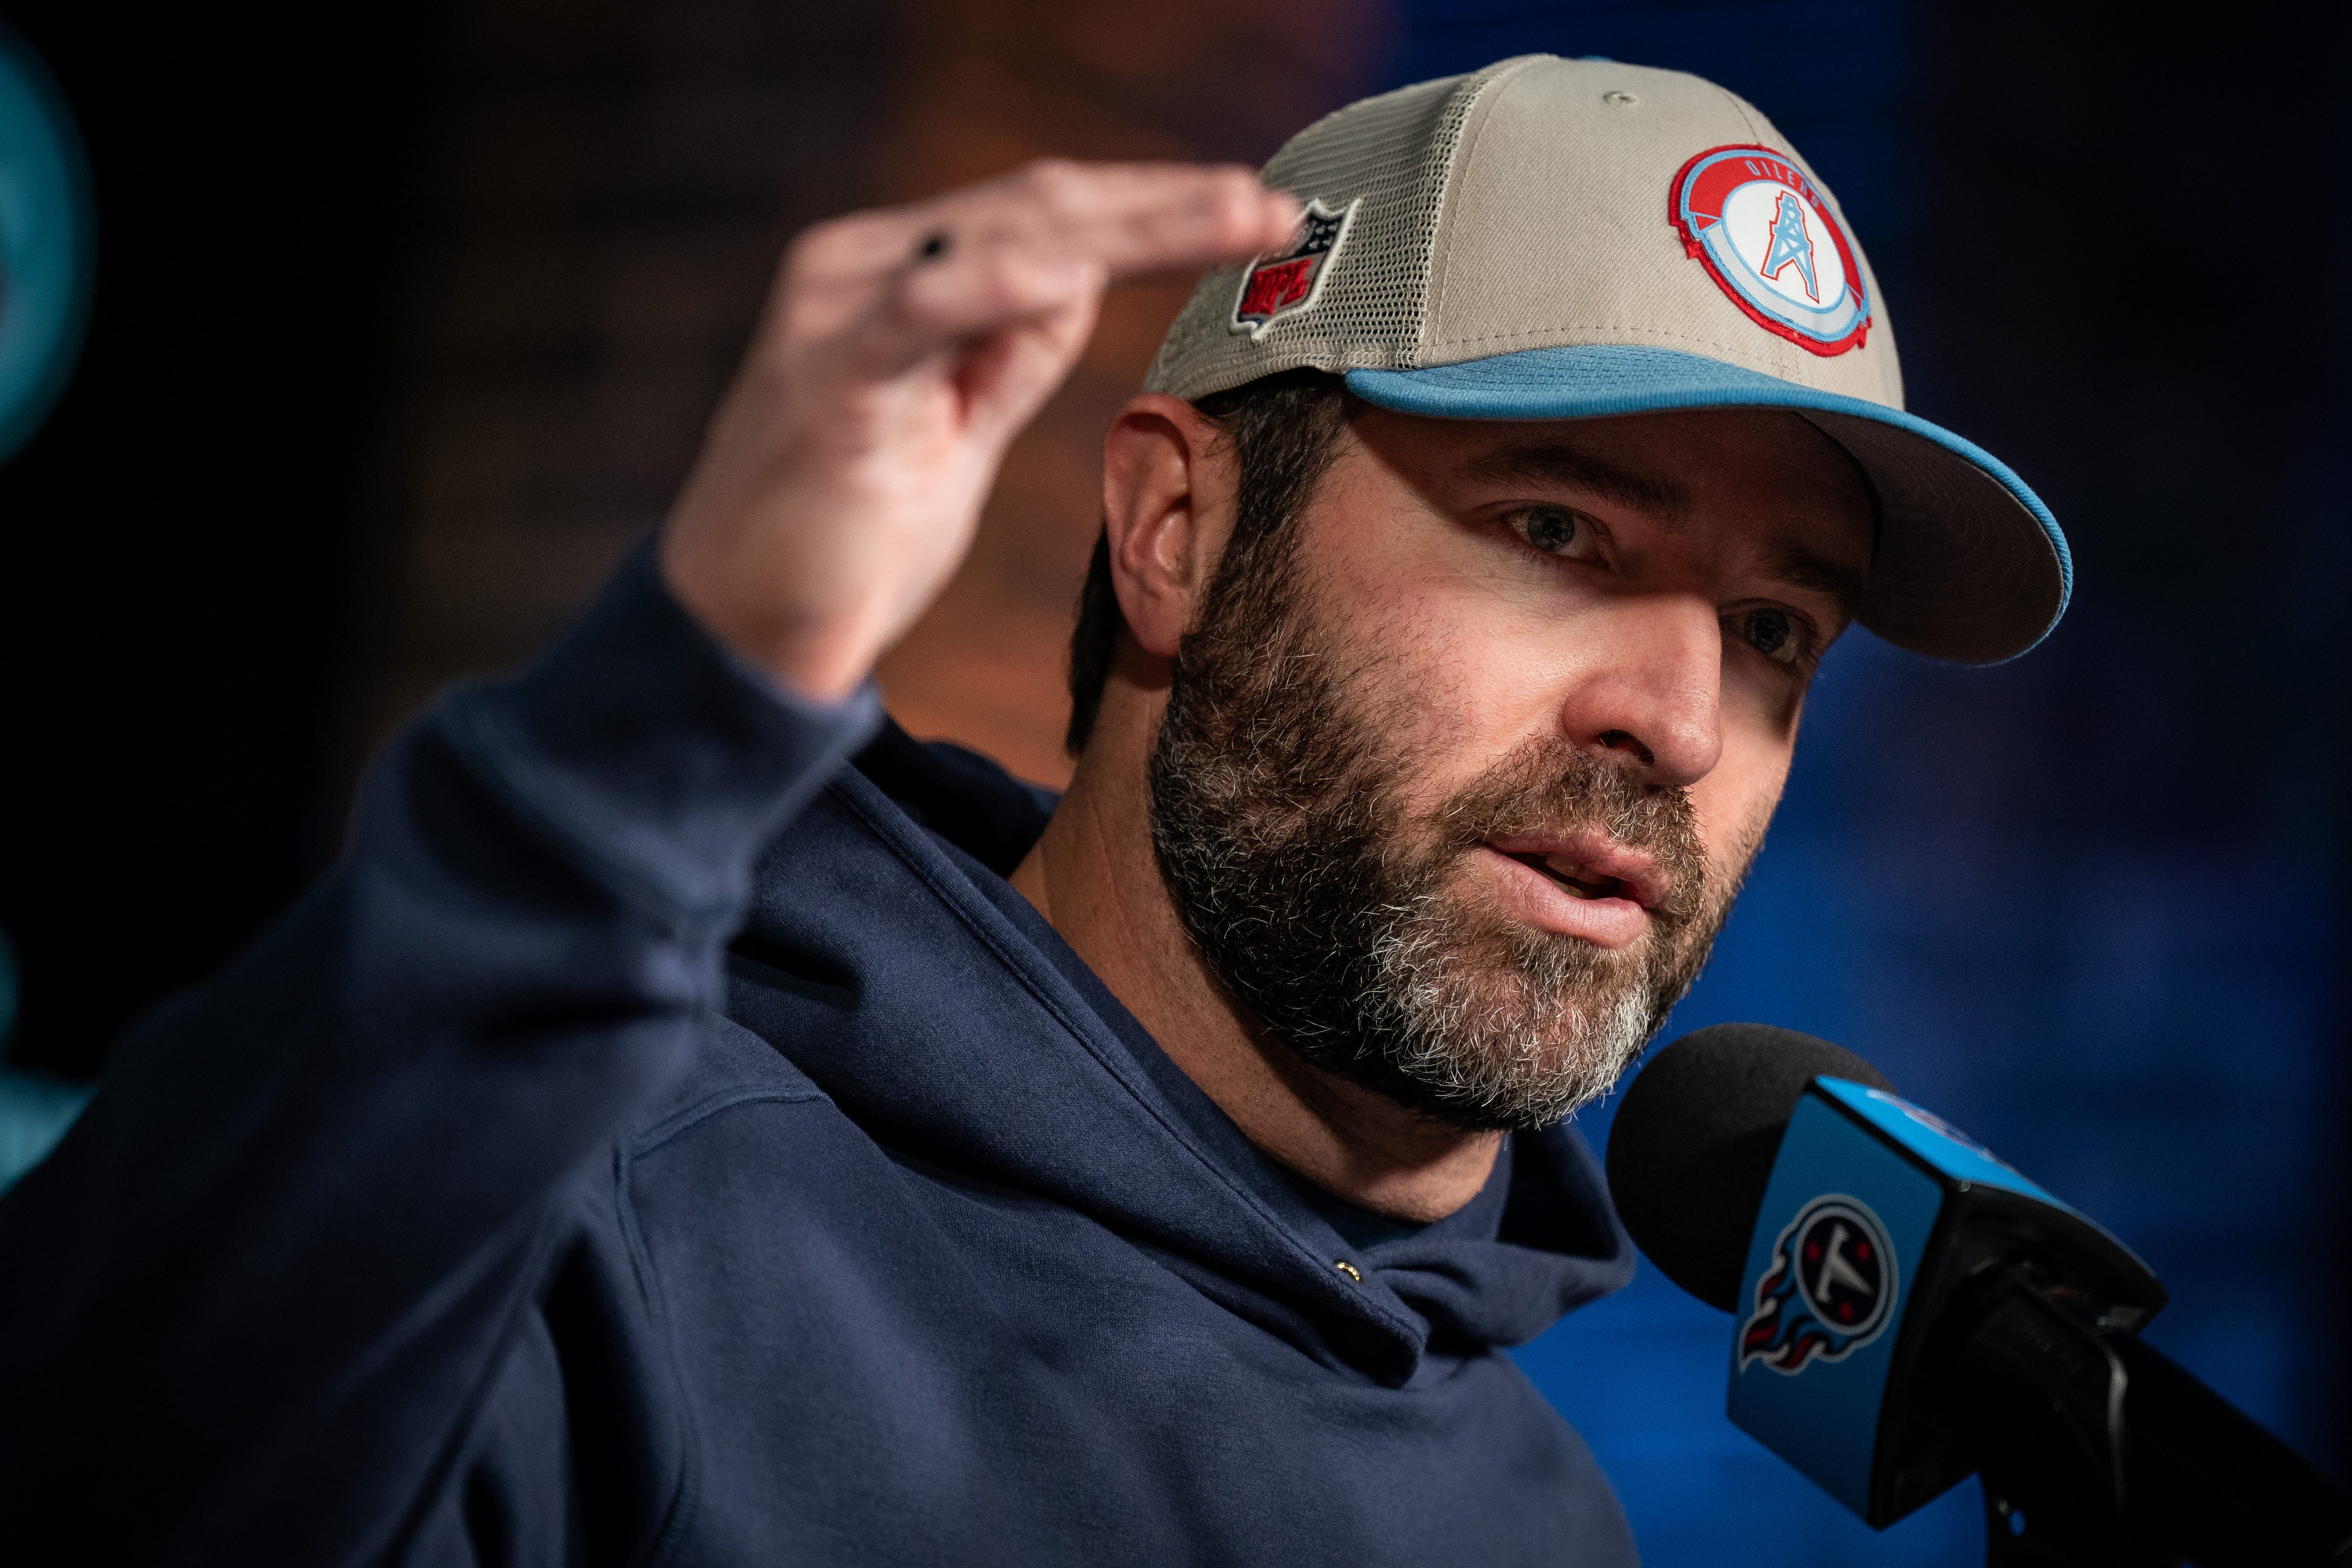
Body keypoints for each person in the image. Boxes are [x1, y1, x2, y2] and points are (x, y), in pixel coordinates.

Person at [0, 55, 2067, 1566]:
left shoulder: (1542, 1515)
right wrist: (656, 729)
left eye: (1779, 632)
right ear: (1175, 531)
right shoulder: (588, 1227)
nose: (1682, 720)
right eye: (1557, 531)